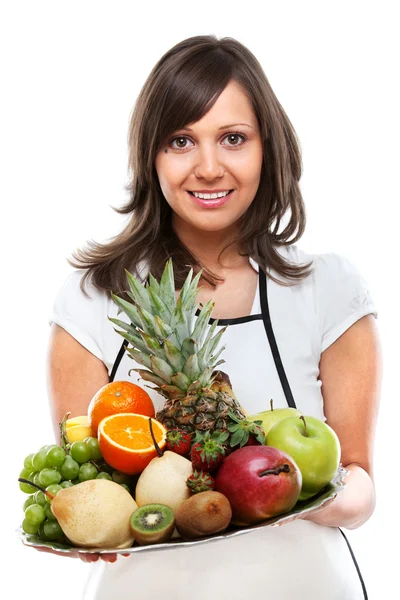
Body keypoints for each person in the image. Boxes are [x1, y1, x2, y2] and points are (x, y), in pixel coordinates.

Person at [44, 35, 381, 599]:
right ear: (150, 155)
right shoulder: (93, 297)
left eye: (233, 139)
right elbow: (86, 479)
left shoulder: (328, 289)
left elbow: (361, 481)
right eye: (181, 140)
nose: (208, 167)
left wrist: (306, 495)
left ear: (266, 148)